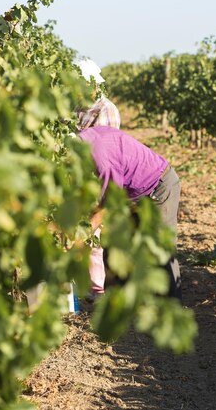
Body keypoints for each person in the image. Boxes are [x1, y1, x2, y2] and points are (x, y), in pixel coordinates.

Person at [79, 125, 183, 300]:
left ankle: (170, 307)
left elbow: (109, 205)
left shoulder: (102, 160)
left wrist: (80, 235)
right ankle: (117, 303)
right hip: (132, 192)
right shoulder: (86, 138)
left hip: (158, 187)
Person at [75, 57, 122, 299]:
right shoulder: (77, 107)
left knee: (94, 236)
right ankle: (82, 286)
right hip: (78, 180)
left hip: (98, 179)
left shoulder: (106, 109)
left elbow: (107, 149)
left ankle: (98, 290)